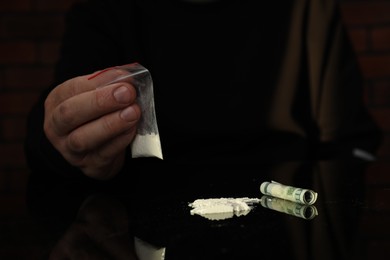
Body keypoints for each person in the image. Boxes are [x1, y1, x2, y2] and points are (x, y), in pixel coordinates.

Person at [24, 0, 382, 180]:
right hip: (143, 225)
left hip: (287, 222)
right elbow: (56, 133)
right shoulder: (107, 9)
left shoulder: (307, 10)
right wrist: (64, 138)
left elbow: (352, 143)